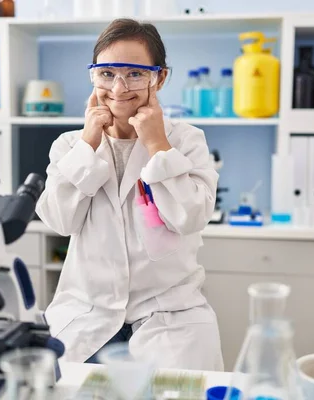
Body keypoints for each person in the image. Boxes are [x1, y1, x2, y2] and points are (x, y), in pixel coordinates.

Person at [36, 18, 224, 371]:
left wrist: (157, 145)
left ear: (160, 77)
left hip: (169, 319)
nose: (119, 88)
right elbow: (60, 221)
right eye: (106, 73)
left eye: (135, 74)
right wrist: (88, 144)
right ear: (93, 76)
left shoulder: (185, 140)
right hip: (87, 317)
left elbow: (191, 216)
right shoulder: (69, 145)